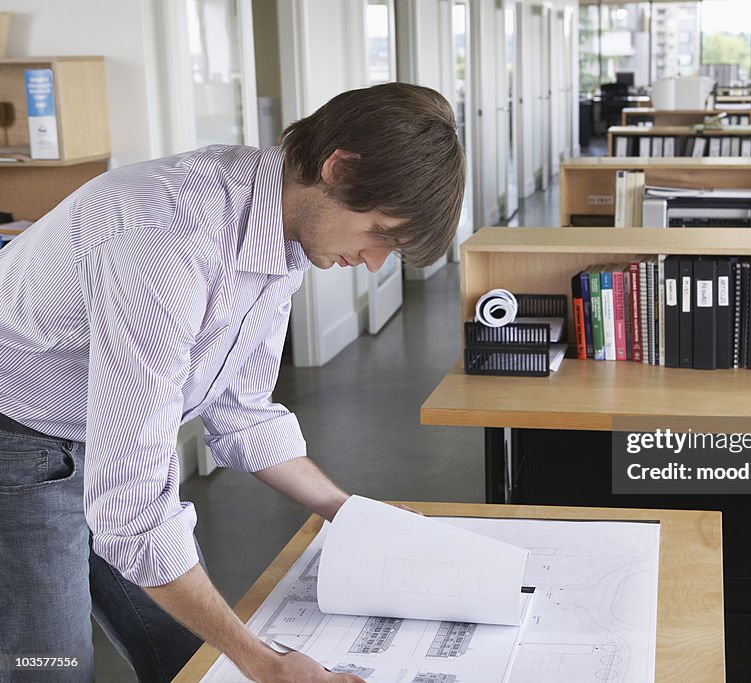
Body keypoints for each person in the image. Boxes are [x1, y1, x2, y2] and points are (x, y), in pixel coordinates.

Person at [0, 82, 464, 683]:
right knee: (51, 667)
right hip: (16, 435)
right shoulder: (168, 235)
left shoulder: (284, 234)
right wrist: (263, 664)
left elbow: (242, 410)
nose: (374, 261)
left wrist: (347, 512)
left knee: (184, 652)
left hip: (97, 430)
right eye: (379, 232)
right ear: (339, 167)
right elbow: (133, 506)